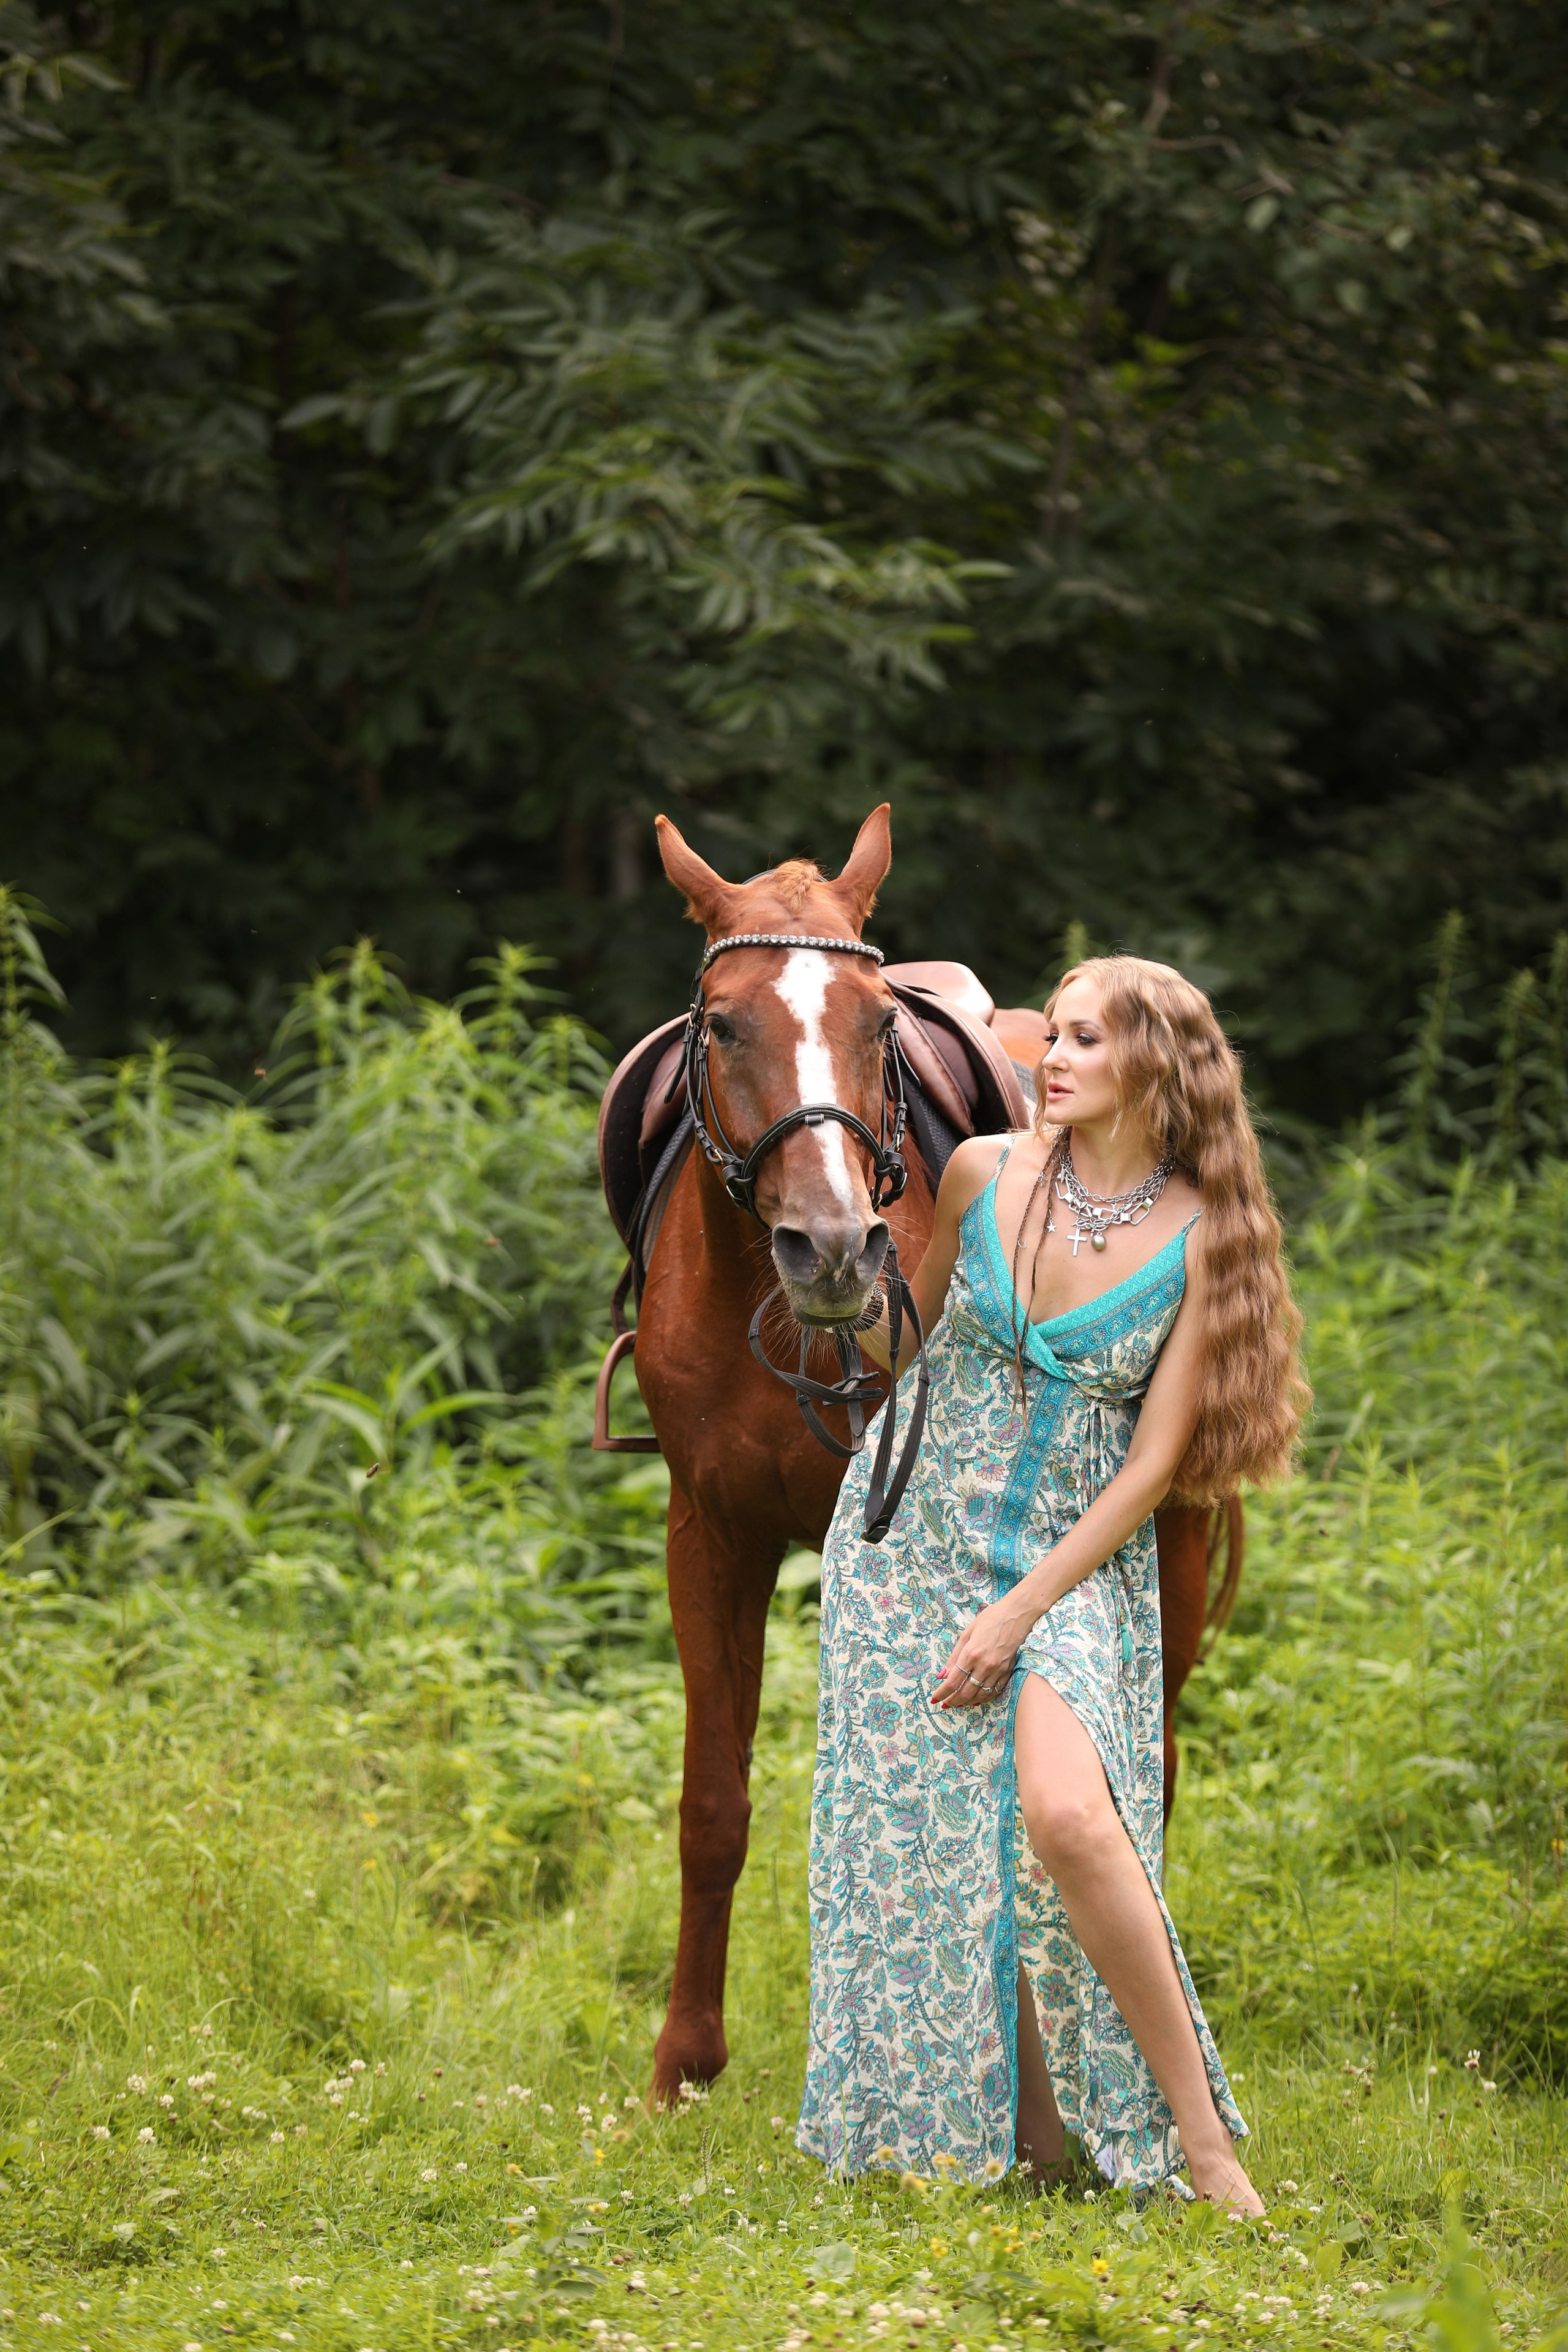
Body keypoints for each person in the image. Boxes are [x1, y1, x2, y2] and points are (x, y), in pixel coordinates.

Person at [795, 956, 1305, 2212]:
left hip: (1071, 1565)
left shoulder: (1203, 1230)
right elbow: (900, 1346)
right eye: (1052, 1032)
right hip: (908, 1546)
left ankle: (1201, 2147)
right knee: (940, 1840)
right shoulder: (984, 1171)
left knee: (1069, 1821)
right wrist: (841, 1292)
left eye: (1083, 1037)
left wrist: (1021, 1610)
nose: (1051, 1055)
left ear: (1156, 1066)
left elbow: (1149, 1469)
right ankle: (1025, 2137)